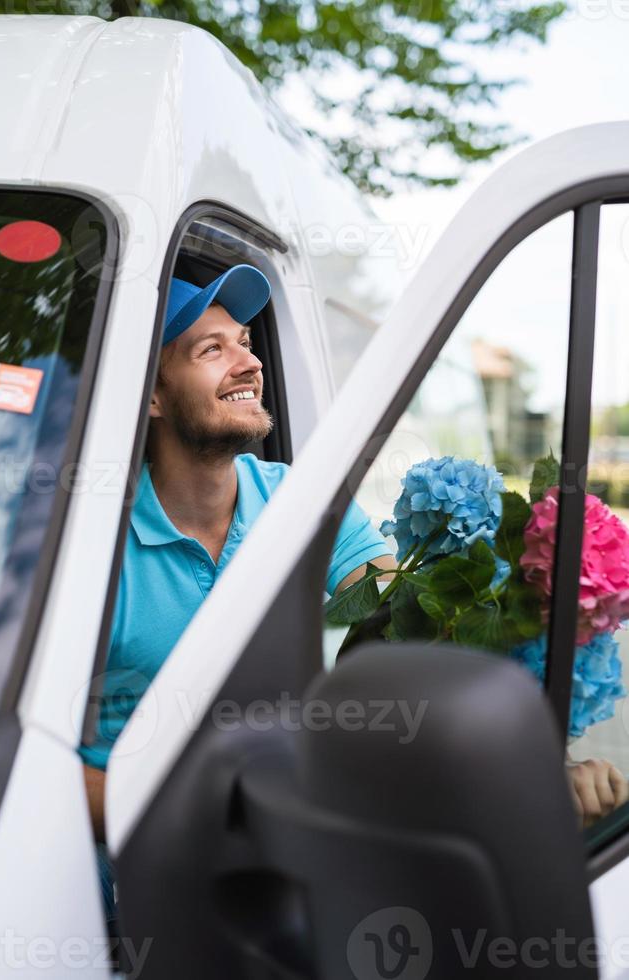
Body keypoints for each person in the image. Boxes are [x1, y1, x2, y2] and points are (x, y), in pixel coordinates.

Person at [79, 263, 398, 925]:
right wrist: (211, 821)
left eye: (245, 342)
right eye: (211, 349)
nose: (247, 362)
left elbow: (403, 623)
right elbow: (28, 753)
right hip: (117, 903)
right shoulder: (94, 539)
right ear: (153, 397)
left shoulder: (306, 499)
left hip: (290, 873)